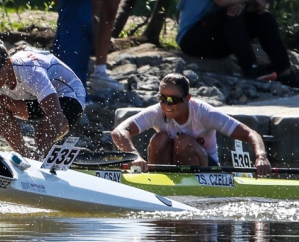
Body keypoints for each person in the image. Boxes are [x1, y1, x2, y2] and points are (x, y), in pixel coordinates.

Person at [111, 73, 272, 177]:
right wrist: (135, 156)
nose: (166, 105)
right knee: (159, 139)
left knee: (183, 142)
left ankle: (189, 183)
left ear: (187, 99)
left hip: (207, 172)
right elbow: (118, 132)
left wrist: (261, 157)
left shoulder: (204, 113)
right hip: (172, 167)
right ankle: (157, 180)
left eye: (172, 100)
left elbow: (250, 134)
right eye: (161, 98)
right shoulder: (157, 111)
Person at [0, 41, 85, 160]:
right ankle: (24, 155)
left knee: (42, 134)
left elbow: (55, 116)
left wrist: (40, 158)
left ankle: (41, 160)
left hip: (69, 94)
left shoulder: (32, 73)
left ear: (8, 63)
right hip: (34, 96)